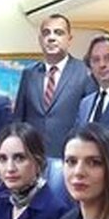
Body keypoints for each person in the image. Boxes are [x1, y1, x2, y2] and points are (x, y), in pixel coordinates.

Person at [13, 14, 96, 156]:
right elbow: (18, 118)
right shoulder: (29, 74)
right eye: (46, 33)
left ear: (69, 39)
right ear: (40, 40)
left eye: (58, 32)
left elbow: (89, 121)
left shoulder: (85, 72)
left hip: (69, 156)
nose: (51, 38)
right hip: (32, 156)